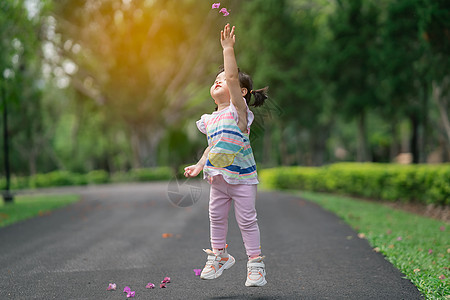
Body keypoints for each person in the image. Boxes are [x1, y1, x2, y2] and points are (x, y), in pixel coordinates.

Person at [184, 23, 268, 287]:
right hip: (218, 179)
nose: (218, 81)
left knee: (246, 220)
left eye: (223, 80)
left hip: (242, 180)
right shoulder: (209, 119)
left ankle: (255, 265)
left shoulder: (238, 112)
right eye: (214, 81)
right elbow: (212, 147)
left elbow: (232, 77)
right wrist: (199, 166)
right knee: (215, 217)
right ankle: (219, 256)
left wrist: (228, 49)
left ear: (241, 93)